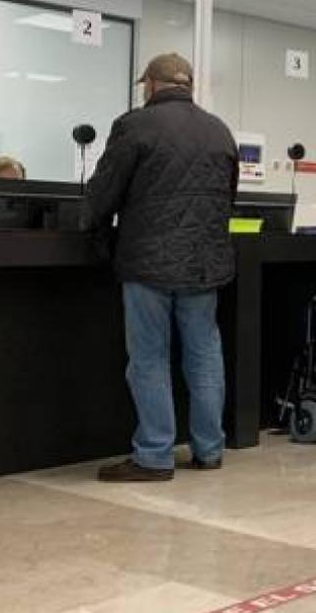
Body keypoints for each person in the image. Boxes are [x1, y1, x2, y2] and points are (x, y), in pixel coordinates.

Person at [85, 53, 237, 482]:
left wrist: (89, 225)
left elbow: (105, 190)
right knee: (205, 355)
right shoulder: (218, 129)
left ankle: (154, 454)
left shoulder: (135, 125)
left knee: (150, 358)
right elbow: (228, 195)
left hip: (148, 261)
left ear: (151, 85)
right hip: (205, 264)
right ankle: (209, 450)